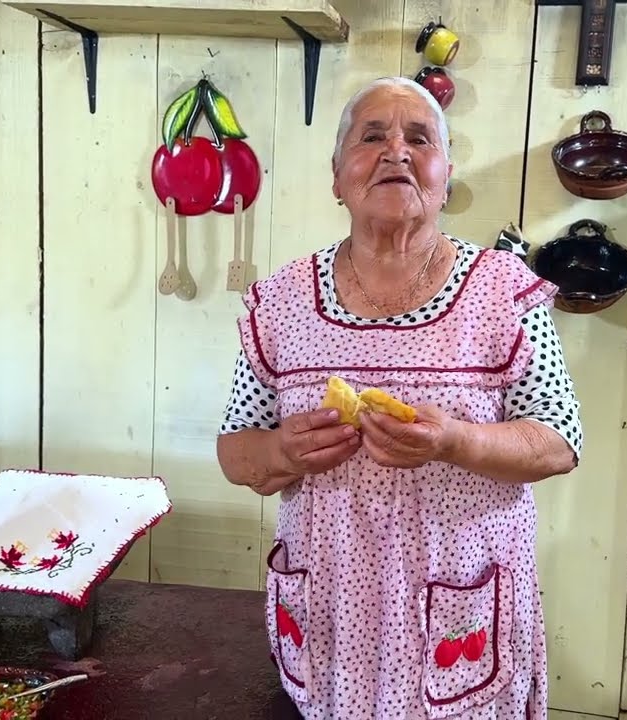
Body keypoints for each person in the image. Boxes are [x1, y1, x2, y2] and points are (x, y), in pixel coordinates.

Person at [215, 76, 583, 719]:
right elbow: (236, 451)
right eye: (372, 136)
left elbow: (556, 442)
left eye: (419, 137)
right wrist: (283, 450)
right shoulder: (279, 301)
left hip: (461, 607)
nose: (396, 151)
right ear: (337, 176)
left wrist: (455, 440)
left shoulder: (502, 292)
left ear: (444, 174)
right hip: (331, 615)